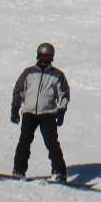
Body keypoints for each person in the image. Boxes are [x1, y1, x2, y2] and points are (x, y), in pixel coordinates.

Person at [11, 42, 71, 181]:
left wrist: (61, 111)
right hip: (29, 113)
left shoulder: (57, 75)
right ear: (38, 56)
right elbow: (18, 91)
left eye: (48, 58)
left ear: (52, 58)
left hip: (48, 113)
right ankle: (19, 170)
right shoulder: (29, 72)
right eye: (43, 57)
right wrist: (15, 109)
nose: (45, 60)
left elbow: (64, 94)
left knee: (52, 143)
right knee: (24, 142)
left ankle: (59, 172)